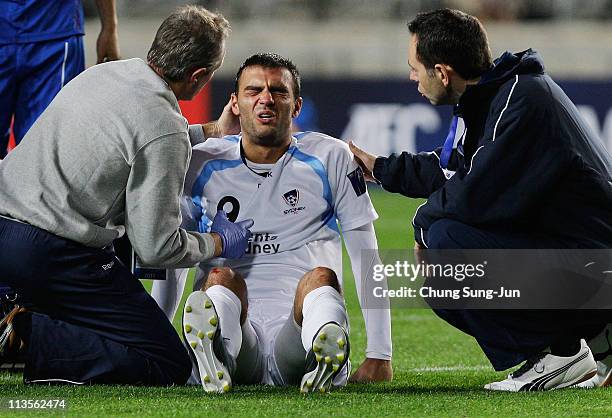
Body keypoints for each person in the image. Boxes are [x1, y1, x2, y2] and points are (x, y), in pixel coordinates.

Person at [349, 8, 612, 391]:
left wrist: (421, 226)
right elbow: (450, 169)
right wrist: (382, 168)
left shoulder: (520, 100)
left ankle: (559, 354)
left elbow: (473, 192)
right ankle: (600, 334)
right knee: (441, 268)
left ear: (441, 72)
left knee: (446, 244)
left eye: (414, 67)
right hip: (585, 259)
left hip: (595, 267)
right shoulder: (497, 96)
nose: (411, 77)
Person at [0, 6, 254, 386]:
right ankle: (24, 337)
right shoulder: (163, 128)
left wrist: (210, 130)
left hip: (7, 230)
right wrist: (217, 241)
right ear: (199, 76)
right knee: (166, 362)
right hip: (50, 253)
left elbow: (133, 139)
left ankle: (17, 308)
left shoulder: (105, 73)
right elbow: (156, 248)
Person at [152, 53, 393, 393]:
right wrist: (156, 339)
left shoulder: (331, 156)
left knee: (321, 279)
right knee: (221, 278)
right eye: (254, 91)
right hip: (238, 324)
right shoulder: (202, 161)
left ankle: (319, 351)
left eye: (278, 91)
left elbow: (367, 257)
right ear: (235, 104)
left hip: (296, 325)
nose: (266, 98)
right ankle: (218, 354)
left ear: (296, 107)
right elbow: (176, 254)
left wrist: (380, 354)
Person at [0, 0, 121, 158]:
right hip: (54, 31)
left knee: (47, 152)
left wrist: (110, 27)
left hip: (55, 32)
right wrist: (109, 26)